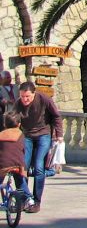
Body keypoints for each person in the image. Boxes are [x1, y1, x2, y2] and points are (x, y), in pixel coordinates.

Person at [15, 81, 62, 212]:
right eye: (22, 96)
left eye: (27, 96)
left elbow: (56, 116)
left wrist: (59, 134)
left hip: (43, 134)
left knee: (39, 166)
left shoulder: (44, 99)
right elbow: (12, 119)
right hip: (27, 135)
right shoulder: (18, 103)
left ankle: (36, 201)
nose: (24, 99)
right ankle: (24, 199)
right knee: (22, 166)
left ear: (34, 93)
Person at [0, 111, 34, 212]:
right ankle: (29, 198)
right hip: (18, 165)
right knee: (20, 180)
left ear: (4, 124)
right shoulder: (22, 135)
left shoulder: (1, 134)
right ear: (19, 124)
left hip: (3, 165)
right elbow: (25, 150)